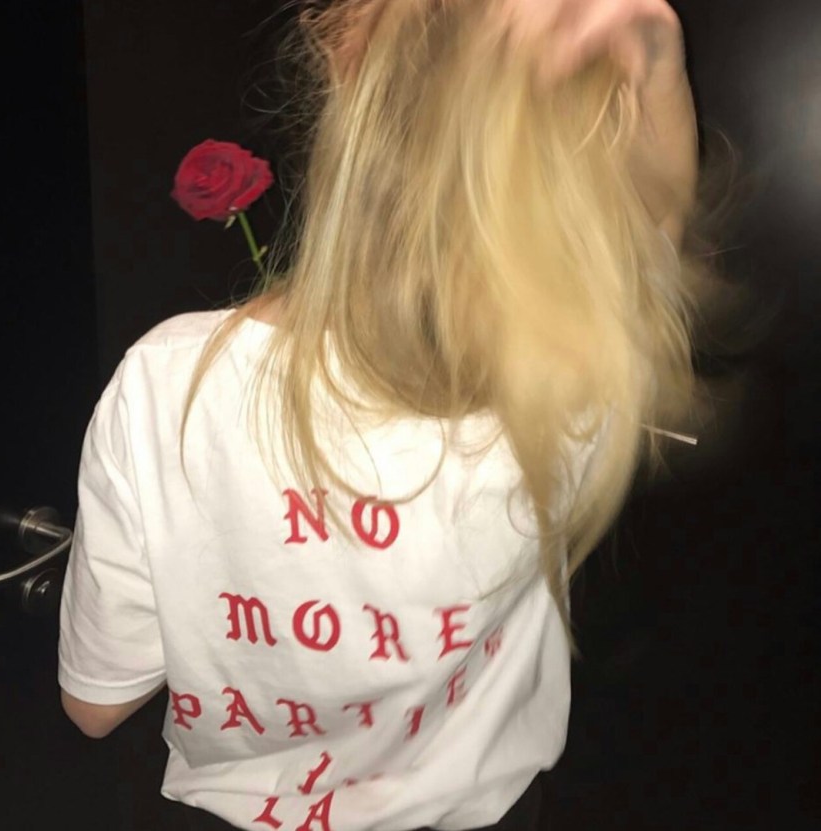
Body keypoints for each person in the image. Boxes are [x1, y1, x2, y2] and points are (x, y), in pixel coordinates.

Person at [58, 1, 704, 829]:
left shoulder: (168, 384)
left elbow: (95, 704)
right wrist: (657, 62)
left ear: (340, 78)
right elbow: (659, 222)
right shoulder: (573, 375)